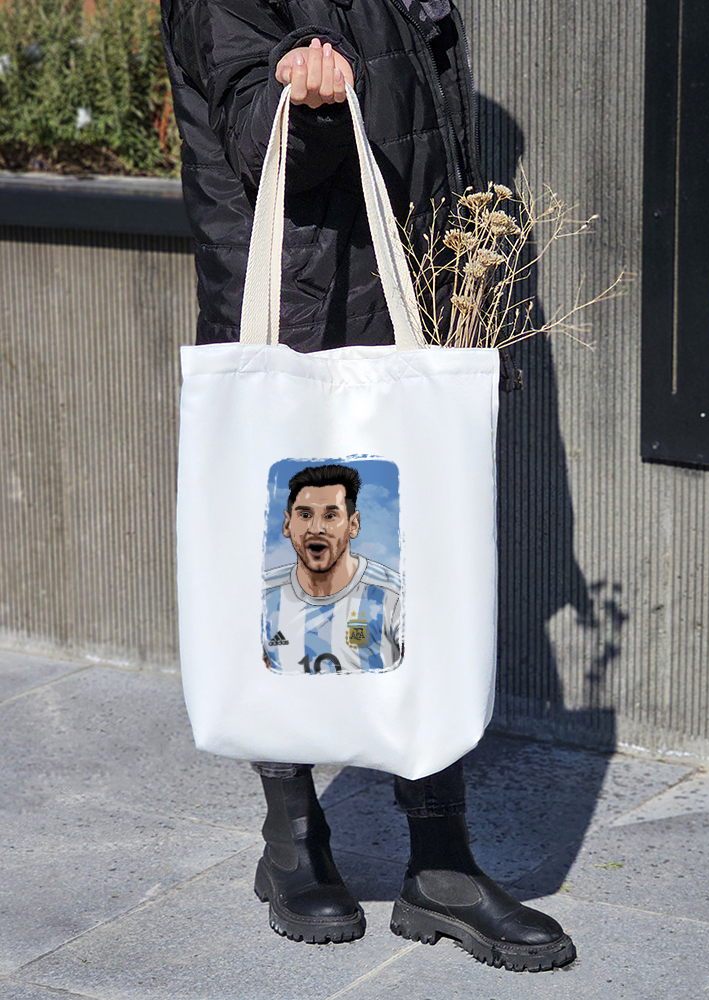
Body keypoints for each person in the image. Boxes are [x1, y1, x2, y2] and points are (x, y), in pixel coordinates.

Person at [160, 0, 575, 972]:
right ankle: (293, 837)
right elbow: (254, 132)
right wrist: (302, 105)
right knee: (295, 577)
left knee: (418, 574)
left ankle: (441, 861)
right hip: (301, 306)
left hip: (399, 305)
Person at [263, 464, 403, 676]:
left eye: (330, 516)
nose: (316, 528)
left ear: (353, 525)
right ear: (287, 524)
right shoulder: (261, 598)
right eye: (305, 515)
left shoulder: (395, 597)